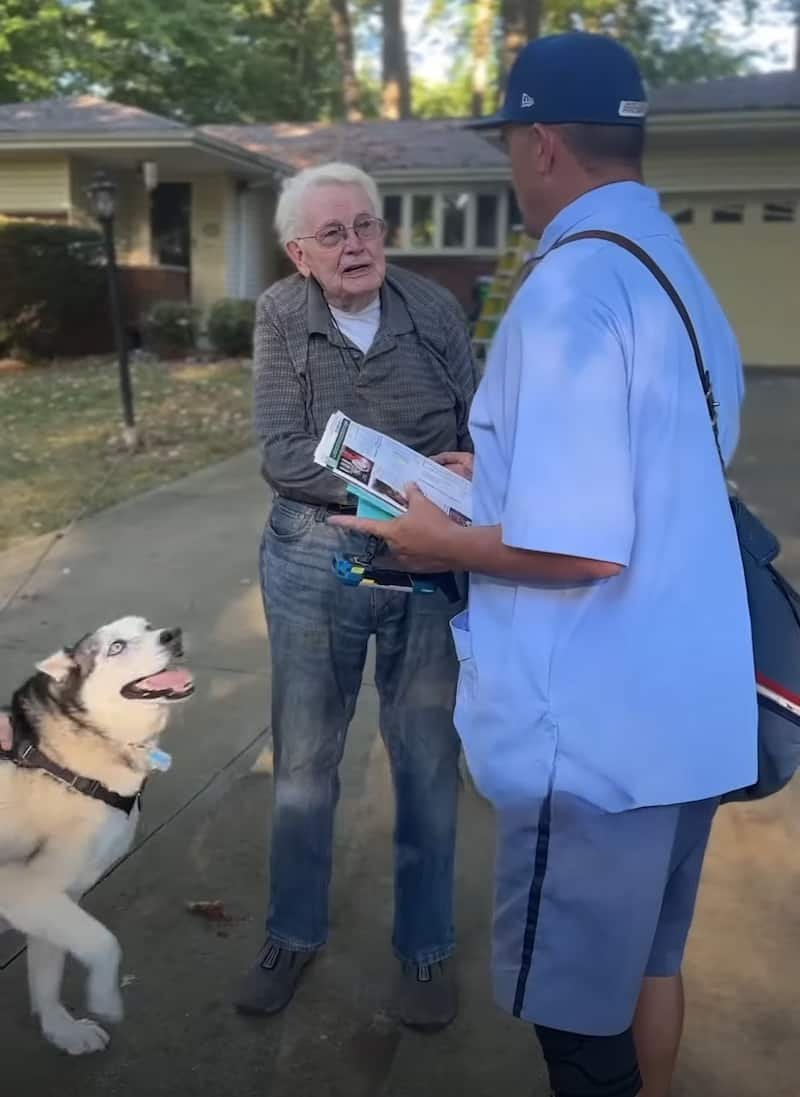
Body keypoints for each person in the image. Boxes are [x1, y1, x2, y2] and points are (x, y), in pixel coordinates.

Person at [332, 33, 758, 1097]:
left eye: (509, 144)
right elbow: (664, 468)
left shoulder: (567, 290)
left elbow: (579, 546)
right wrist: (503, 463)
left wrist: (433, 538)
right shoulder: (673, 274)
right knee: (647, 966)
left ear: (539, 145)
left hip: (592, 744)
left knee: (576, 1029)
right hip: (684, 712)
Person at [236, 162, 478, 1030]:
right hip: (315, 552)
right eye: (333, 234)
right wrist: (389, 491)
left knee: (424, 760)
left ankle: (426, 949)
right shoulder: (279, 316)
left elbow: (477, 423)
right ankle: (291, 933)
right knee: (305, 761)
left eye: (367, 226)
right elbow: (280, 449)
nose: (356, 246)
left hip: (429, 559)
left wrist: (470, 469)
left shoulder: (433, 309)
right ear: (299, 251)